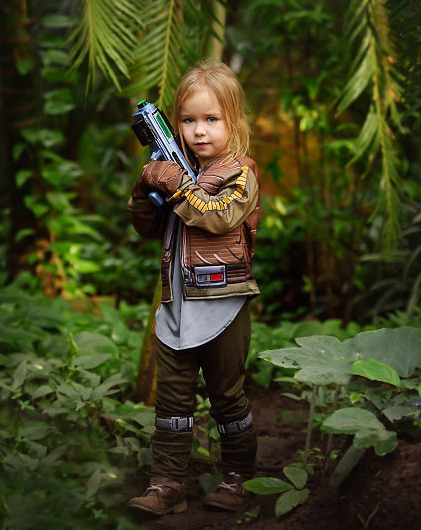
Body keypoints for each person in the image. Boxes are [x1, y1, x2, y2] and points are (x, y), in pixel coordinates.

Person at [125, 62, 261, 516]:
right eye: (188, 120)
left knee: (228, 397)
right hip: (177, 302)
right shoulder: (173, 169)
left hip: (224, 303)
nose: (199, 131)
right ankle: (166, 484)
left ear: (233, 122)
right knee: (172, 401)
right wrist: (145, 190)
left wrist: (177, 183)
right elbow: (148, 227)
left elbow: (219, 216)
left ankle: (239, 478)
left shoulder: (240, 173)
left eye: (211, 119)